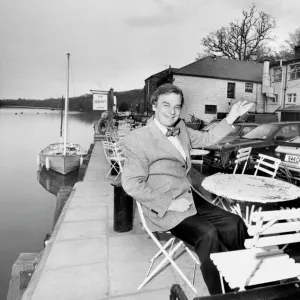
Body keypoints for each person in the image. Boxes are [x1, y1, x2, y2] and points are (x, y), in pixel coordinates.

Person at [121, 83, 253, 295]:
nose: (172, 112)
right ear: (154, 105)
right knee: (208, 234)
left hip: (190, 197)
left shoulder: (180, 128)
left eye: (177, 106)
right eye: (166, 105)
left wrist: (231, 117)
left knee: (234, 223)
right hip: (165, 207)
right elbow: (131, 184)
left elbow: (207, 138)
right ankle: (224, 295)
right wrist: (170, 203)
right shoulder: (137, 140)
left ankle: (245, 282)